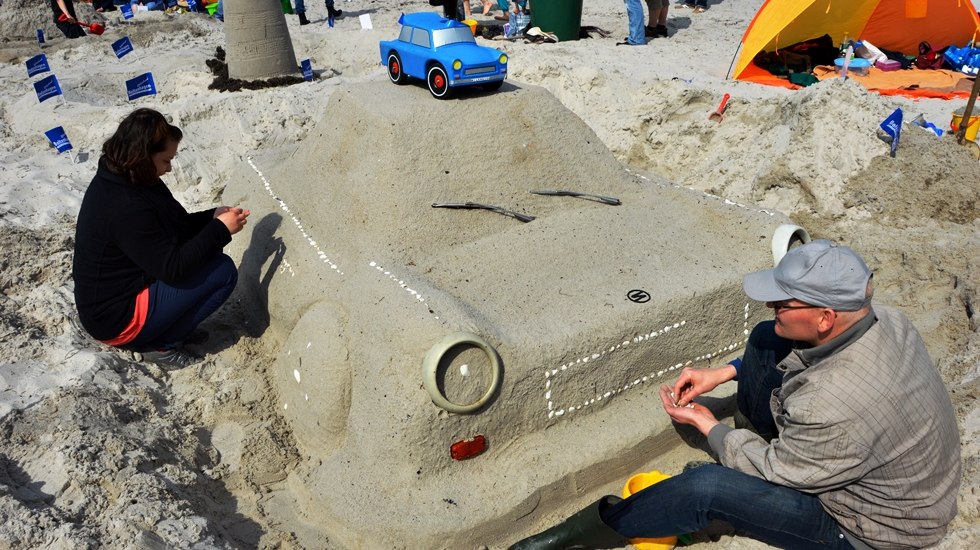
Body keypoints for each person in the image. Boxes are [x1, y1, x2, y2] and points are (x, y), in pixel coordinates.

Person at [508, 240, 961, 550]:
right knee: (769, 337)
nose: (773, 306)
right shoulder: (886, 319)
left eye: (785, 302)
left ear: (824, 317)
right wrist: (724, 373)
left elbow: (777, 471)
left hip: (870, 531)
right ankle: (749, 432)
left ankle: (588, 532)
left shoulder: (833, 403)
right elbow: (794, 358)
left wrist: (709, 427)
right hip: (872, 464)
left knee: (705, 489)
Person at [73, 109, 250, 369]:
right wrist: (220, 231)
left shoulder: (132, 177)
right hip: (114, 319)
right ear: (143, 157)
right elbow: (173, 269)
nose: (169, 168)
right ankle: (162, 345)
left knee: (208, 257)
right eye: (166, 160)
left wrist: (211, 217)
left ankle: (168, 326)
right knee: (222, 271)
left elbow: (175, 227)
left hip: (129, 287)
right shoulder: (125, 205)